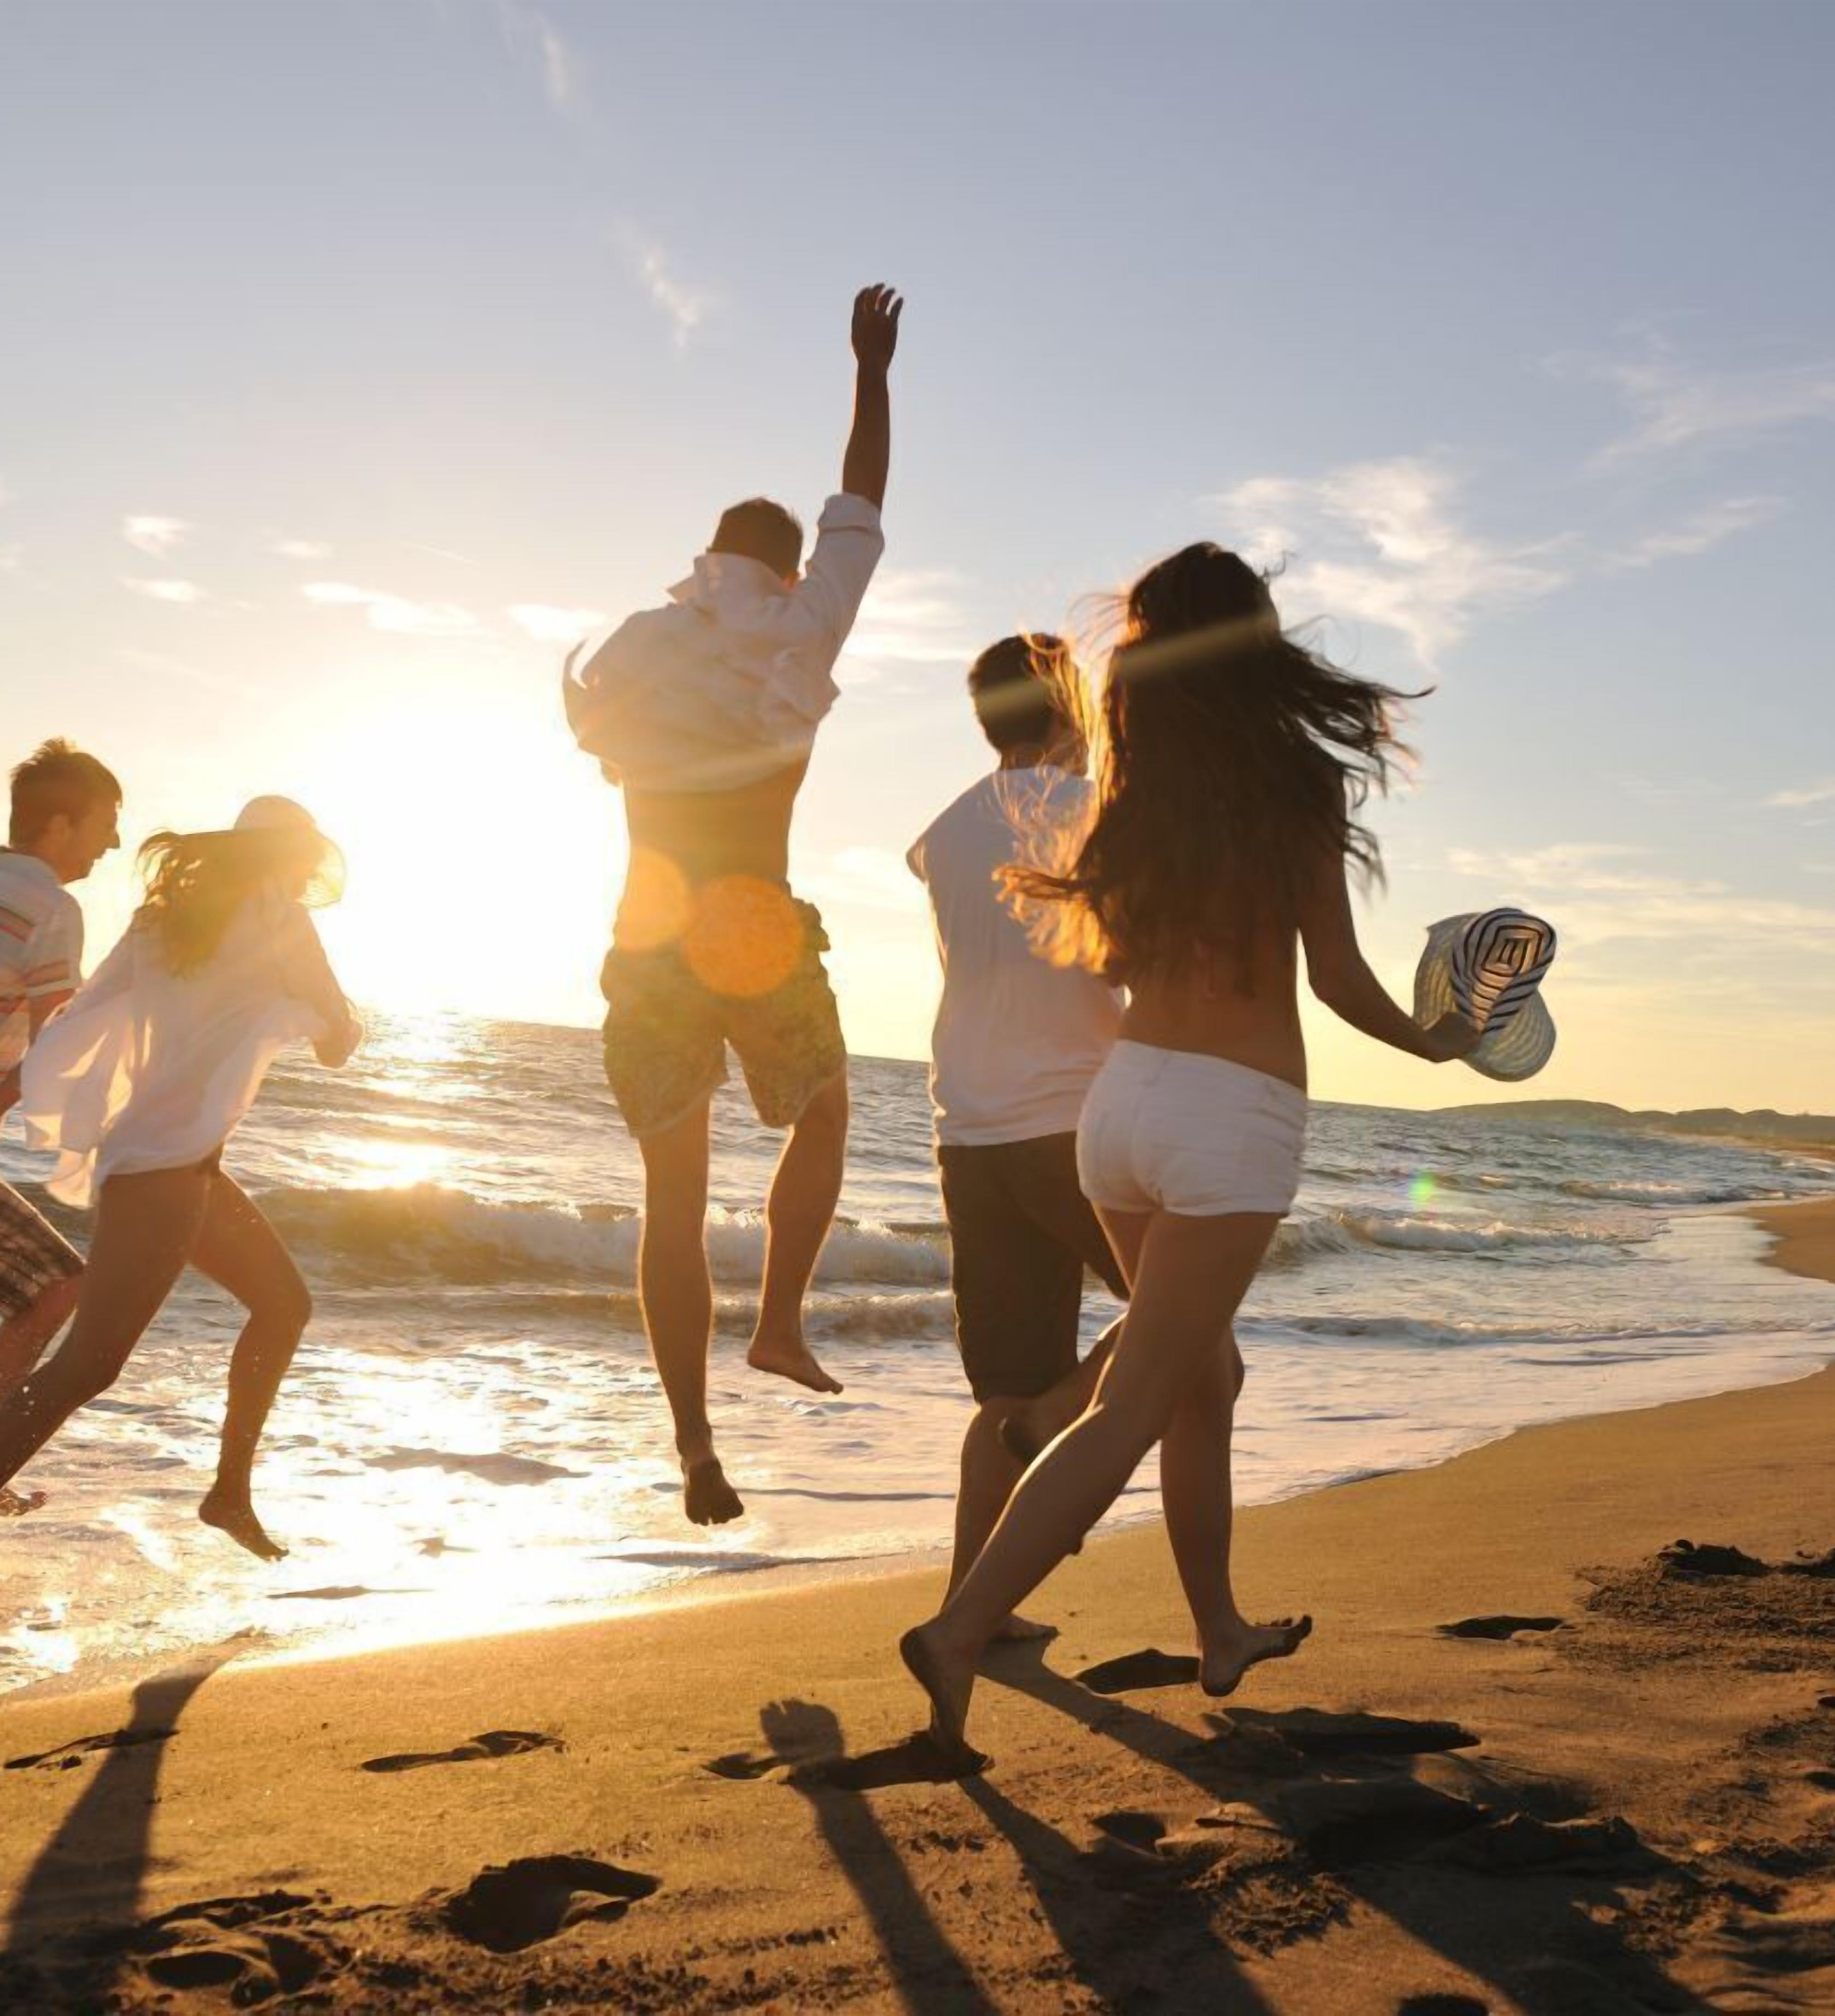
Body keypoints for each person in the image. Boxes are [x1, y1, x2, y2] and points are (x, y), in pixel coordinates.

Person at [899, 543, 1480, 1763]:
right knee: (1132, 1398)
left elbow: (1108, 962)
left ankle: (1217, 1629)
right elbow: (1330, 975)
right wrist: (1432, 1046)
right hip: (1230, 1116)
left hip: (1119, 1109)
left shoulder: (1124, 786)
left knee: (1200, 1378)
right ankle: (959, 1626)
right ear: (1257, 642)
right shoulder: (1292, 783)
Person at [564, 285, 903, 1526]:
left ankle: (694, 1442)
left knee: (670, 1200)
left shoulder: (643, 642)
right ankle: (774, 1322)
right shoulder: (802, 627)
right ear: (785, 563)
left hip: (648, 932)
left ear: (706, 552)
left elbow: (597, 736)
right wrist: (869, 371)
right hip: (753, 925)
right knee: (821, 1112)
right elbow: (861, 507)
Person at [0, 797, 361, 1560]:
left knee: (284, 1305)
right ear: (290, 857)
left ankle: (229, 1494)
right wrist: (333, 1013)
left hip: (166, 1162)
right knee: (88, 1364)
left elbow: (72, 1024)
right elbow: (338, 1045)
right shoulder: (282, 917)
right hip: (166, 1171)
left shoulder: (165, 920)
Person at [907, 635, 1126, 1637]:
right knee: (1186, 1316)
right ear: (1066, 708)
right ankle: (1055, 1421)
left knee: (1002, 1385)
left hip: (970, 1129)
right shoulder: (1090, 815)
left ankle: (971, 1606)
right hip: (1071, 1120)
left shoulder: (943, 830)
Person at [0, 742, 122, 1506]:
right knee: (57, 1291)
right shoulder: (56, 911)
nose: (114, 843)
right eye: (105, 823)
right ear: (61, 823)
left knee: (57, 1289)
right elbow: (53, 1045)